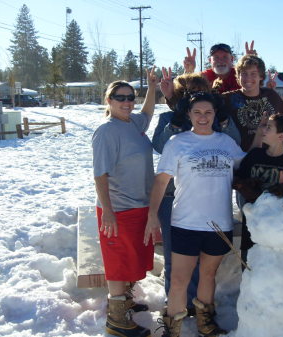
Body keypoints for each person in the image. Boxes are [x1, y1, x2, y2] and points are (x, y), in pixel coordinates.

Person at [145, 92, 245, 337]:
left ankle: (205, 322)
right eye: (197, 112)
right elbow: (161, 182)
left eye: (208, 112)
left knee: (208, 275)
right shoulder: (177, 143)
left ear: (215, 115)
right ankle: (173, 327)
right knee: (179, 279)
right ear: (189, 114)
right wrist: (152, 215)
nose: (203, 117)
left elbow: (248, 165)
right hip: (185, 223)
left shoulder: (226, 143)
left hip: (219, 224)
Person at [92, 69, 157, 337]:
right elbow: (99, 174)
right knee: (118, 261)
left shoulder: (132, 123)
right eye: (120, 97)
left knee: (130, 258)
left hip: (139, 205)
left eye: (131, 97)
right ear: (109, 100)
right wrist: (107, 211)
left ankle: (125, 301)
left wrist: (152, 87)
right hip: (118, 209)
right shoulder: (107, 131)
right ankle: (117, 321)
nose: (127, 102)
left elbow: (149, 113)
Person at [234, 114, 283, 265]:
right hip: (251, 226)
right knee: (249, 269)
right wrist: (242, 185)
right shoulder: (254, 156)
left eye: (269, 127)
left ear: (281, 136)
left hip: (276, 230)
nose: (264, 129)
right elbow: (237, 178)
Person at [223, 54, 283, 152]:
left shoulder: (270, 95)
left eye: (253, 73)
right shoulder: (228, 98)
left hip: (269, 159)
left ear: (261, 76)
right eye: (244, 73)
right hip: (241, 159)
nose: (248, 78)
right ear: (238, 76)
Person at [183, 41, 257, 93]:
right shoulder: (203, 77)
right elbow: (186, 93)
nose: (220, 61)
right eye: (216, 58)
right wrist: (189, 72)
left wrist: (250, 66)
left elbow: (256, 88)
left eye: (225, 57)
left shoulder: (241, 75)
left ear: (232, 59)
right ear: (210, 61)